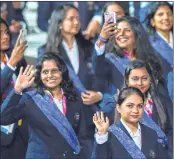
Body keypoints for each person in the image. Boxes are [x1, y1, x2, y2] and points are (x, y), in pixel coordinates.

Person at [1, 52, 88, 159]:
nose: (50, 75)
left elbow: (83, 137)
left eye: (54, 71)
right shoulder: (31, 99)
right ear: (40, 75)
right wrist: (17, 90)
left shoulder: (74, 99)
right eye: (45, 72)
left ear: (62, 72)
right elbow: (3, 118)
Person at [102, 60, 173, 158]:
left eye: (144, 78)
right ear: (127, 80)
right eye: (135, 79)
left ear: (150, 79)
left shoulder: (163, 101)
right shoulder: (116, 102)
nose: (140, 83)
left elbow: (171, 131)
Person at [92, 16, 168, 97]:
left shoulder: (150, 60)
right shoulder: (110, 60)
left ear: (137, 33)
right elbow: (97, 69)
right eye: (117, 31)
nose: (121, 34)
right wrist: (101, 40)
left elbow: (161, 91)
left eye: (127, 30)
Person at [93, 87, 170, 159]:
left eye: (140, 106)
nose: (135, 111)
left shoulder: (151, 133)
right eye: (130, 106)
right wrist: (102, 136)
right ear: (118, 108)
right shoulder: (108, 135)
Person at [0, 17, 28, 159]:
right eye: (0, 33)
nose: (5, 36)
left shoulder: (14, 56)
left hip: (21, 127)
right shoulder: (13, 59)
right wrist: (11, 64)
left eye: (6, 32)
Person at [145, 2, 173, 100]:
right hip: (163, 97)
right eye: (160, 14)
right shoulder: (147, 44)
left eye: (169, 14)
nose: (166, 17)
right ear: (152, 21)